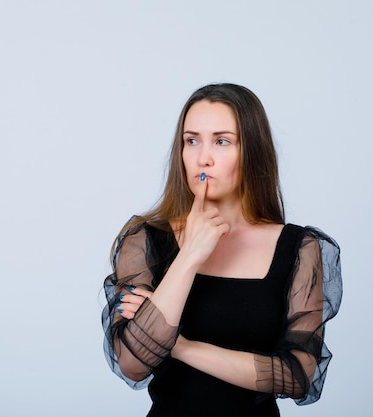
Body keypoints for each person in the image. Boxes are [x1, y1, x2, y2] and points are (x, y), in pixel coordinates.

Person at [101, 83, 343, 416]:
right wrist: (188, 256)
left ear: (252, 152)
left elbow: (297, 375)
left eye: (222, 141)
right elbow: (132, 362)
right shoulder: (145, 240)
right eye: (192, 141)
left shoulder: (299, 249)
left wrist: (180, 346)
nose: (203, 157)